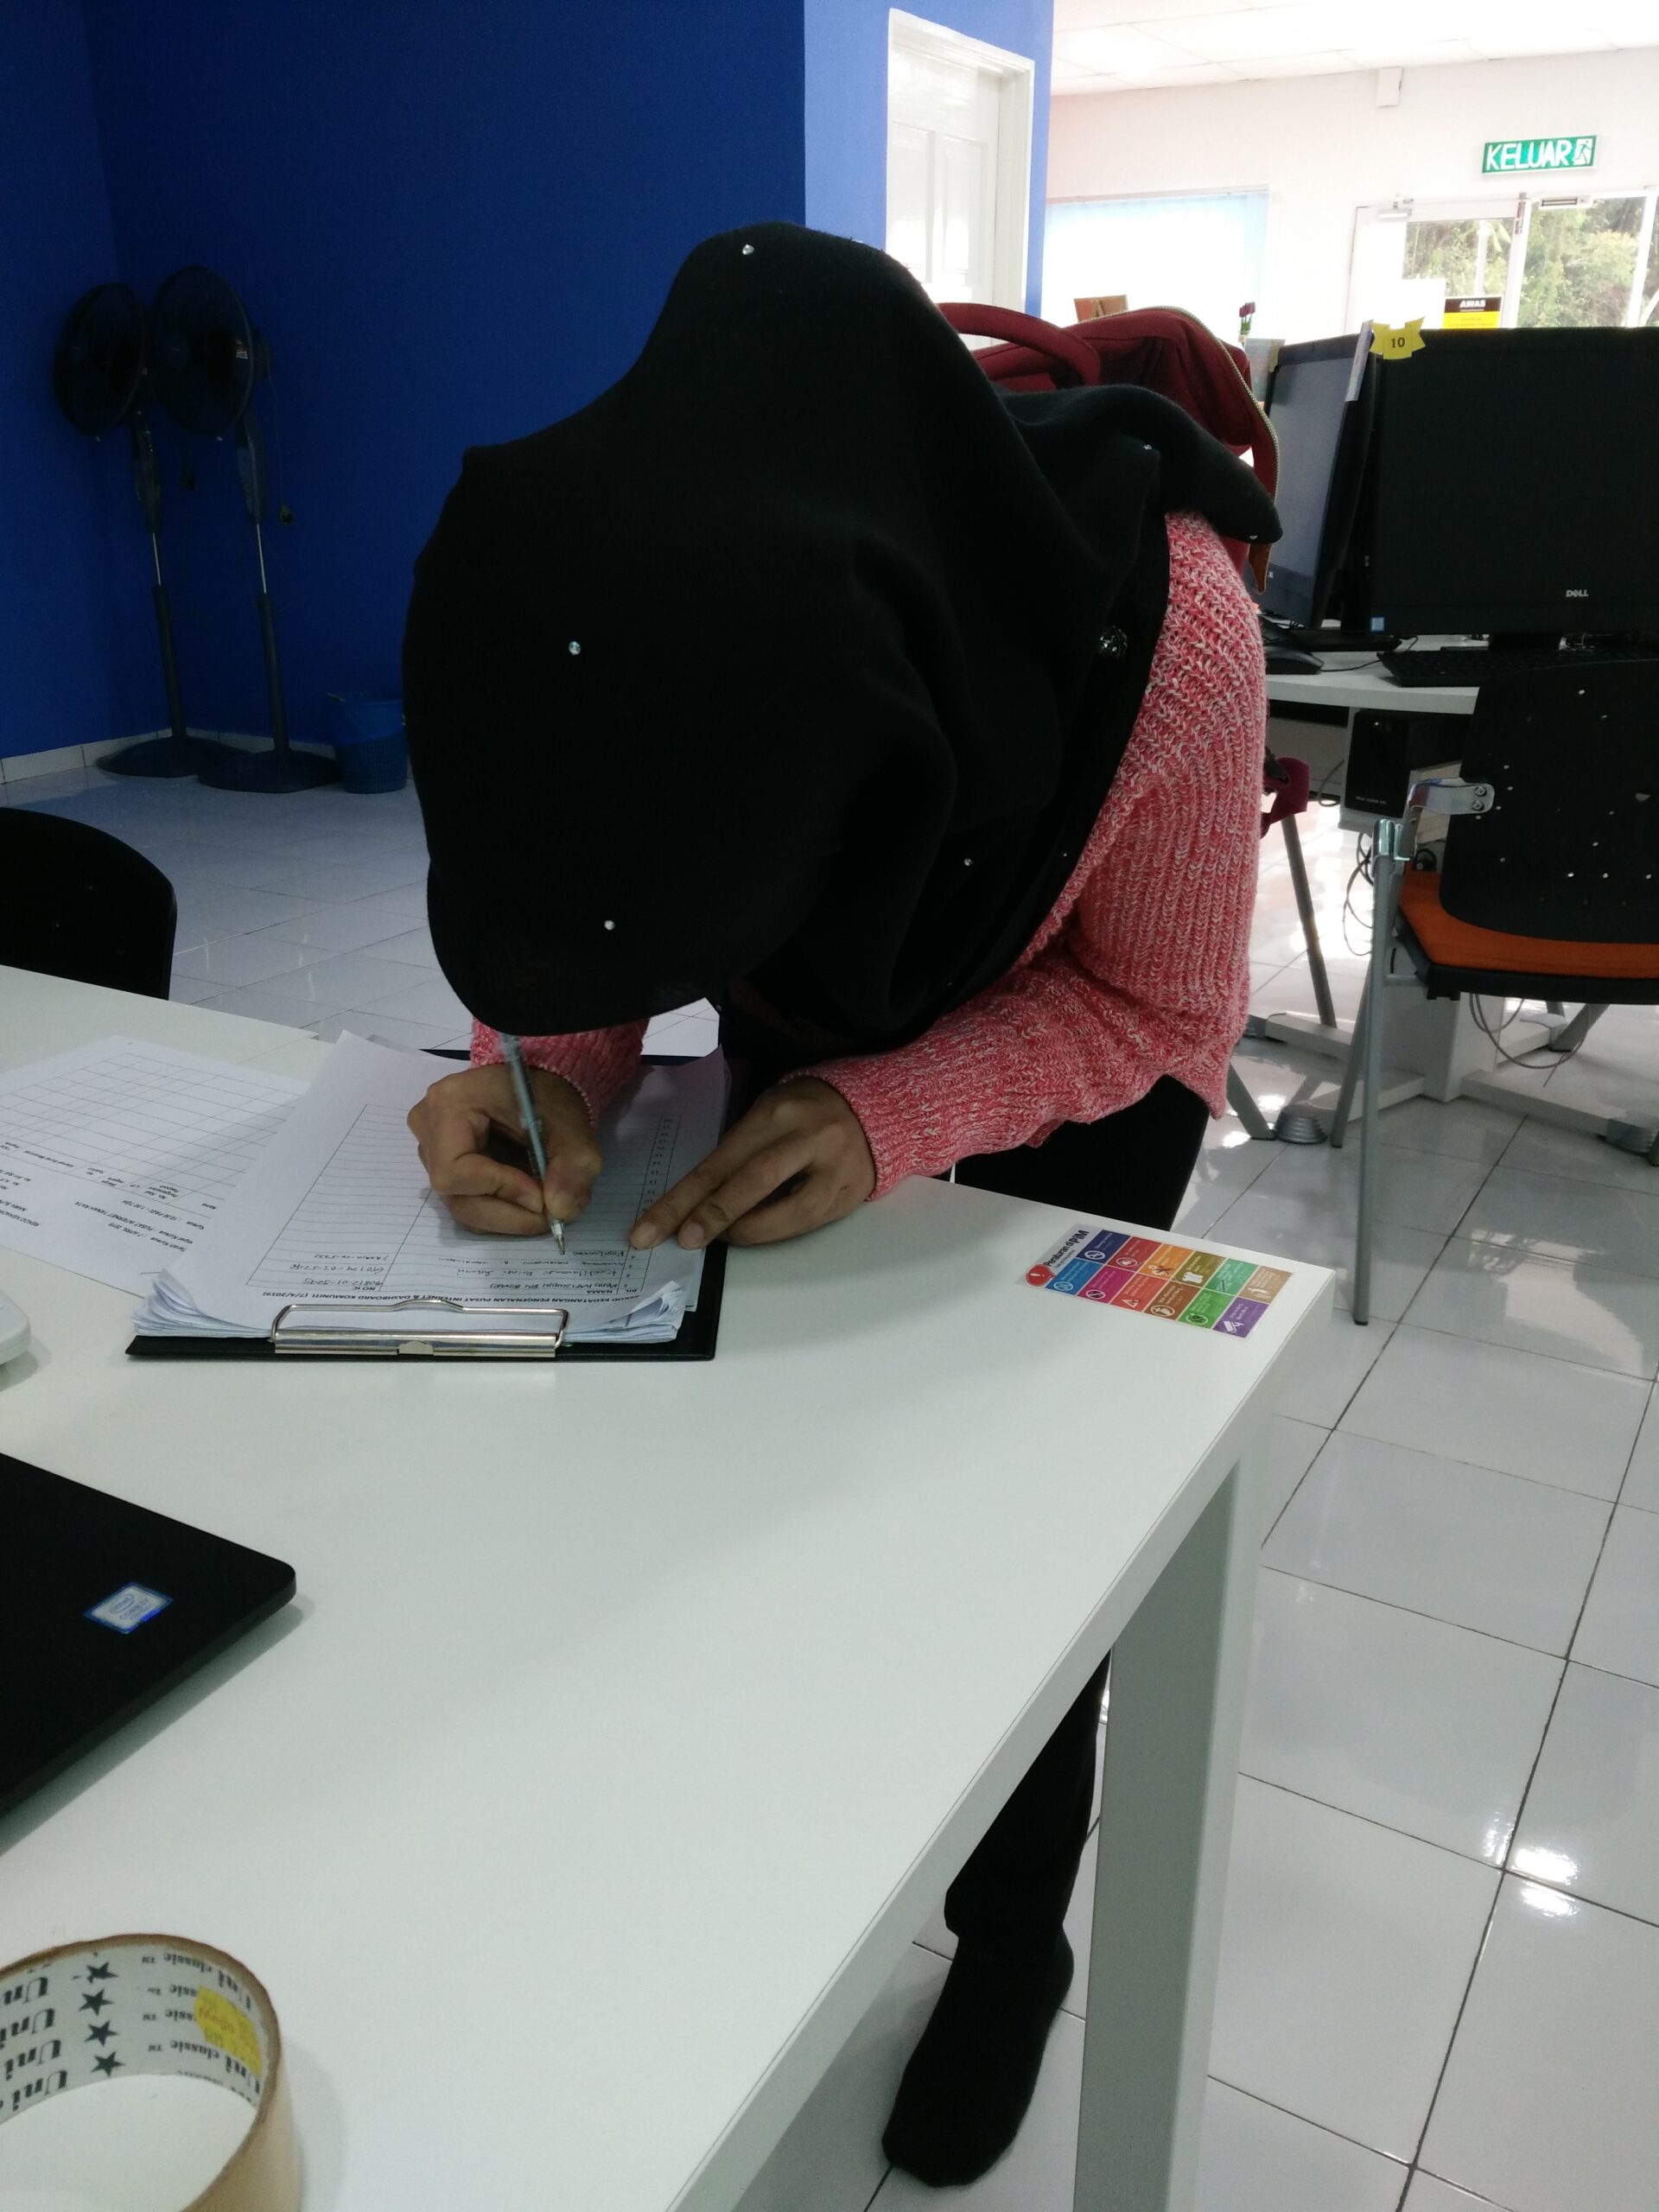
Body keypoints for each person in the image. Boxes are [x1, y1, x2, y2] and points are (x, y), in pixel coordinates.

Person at [402, 223, 1274, 2189]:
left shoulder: (1177, 638)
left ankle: (1013, 1935)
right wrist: (544, 1071)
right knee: (758, 1473)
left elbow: (1161, 1010)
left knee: (1027, 1545)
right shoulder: (634, 588)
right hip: (820, 999)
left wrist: (894, 1107)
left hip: (1076, 1069)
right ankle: (787, 1825)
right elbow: (617, 882)